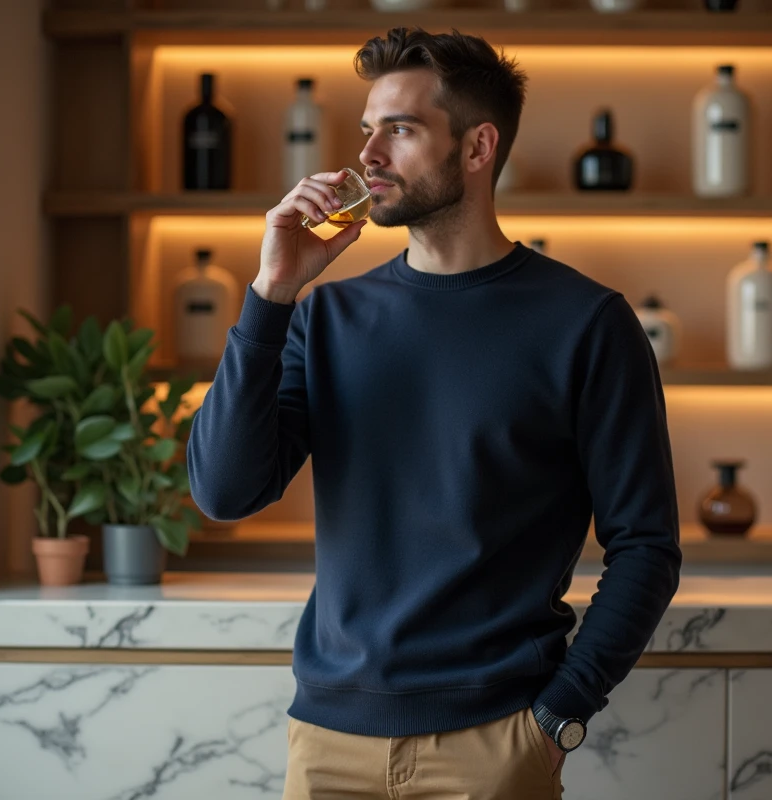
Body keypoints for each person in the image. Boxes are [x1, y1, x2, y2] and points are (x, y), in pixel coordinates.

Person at [187, 26, 682, 800]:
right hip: (327, 744)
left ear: (478, 147)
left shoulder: (586, 324)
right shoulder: (324, 318)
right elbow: (223, 492)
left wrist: (558, 718)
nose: (368, 156)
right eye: (366, 130)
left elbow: (646, 545)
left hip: (495, 744)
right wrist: (270, 295)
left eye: (401, 129)